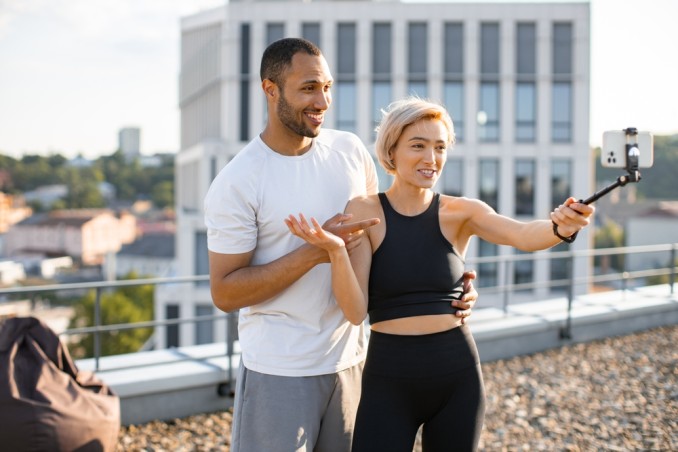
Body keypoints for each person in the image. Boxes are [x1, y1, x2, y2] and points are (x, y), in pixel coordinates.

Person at [204, 38, 478, 452]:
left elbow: (387, 239)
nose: (323, 100)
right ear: (270, 89)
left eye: (328, 87)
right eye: (309, 88)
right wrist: (316, 251)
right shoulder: (238, 181)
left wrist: (448, 289)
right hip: (280, 371)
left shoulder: (349, 151)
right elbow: (225, 292)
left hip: (354, 364)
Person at [285, 97, 595, 451]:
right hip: (388, 379)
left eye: (440, 147)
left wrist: (562, 226)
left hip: (456, 376)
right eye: (418, 146)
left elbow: (523, 235)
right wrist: (336, 251)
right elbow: (355, 312)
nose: (430, 159)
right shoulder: (364, 211)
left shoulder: (462, 212)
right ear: (392, 150)